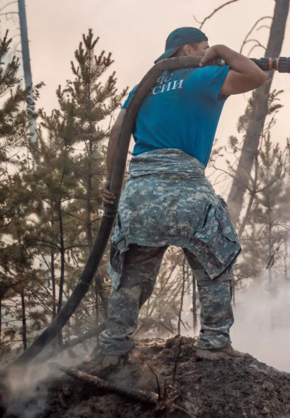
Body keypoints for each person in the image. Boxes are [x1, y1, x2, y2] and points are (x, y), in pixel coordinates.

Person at [99, 27, 268, 362]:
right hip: (187, 190)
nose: (210, 54)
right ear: (188, 49)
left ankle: (114, 347)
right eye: (204, 47)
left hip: (140, 193)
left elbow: (118, 132)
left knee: (132, 274)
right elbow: (255, 75)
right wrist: (222, 49)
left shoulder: (143, 87)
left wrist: (111, 185)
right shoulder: (202, 77)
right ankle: (215, 344)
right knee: (215, 261)